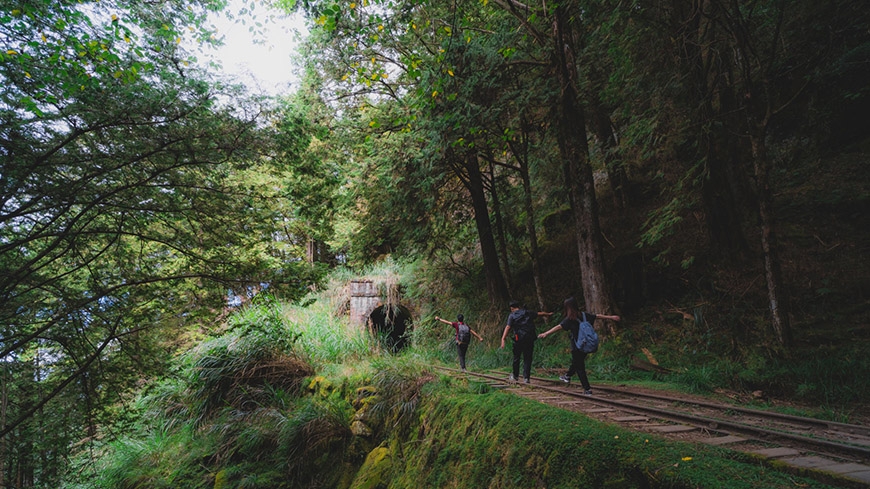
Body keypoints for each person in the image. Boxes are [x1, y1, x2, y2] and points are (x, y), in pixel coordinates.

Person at [537, 297, 620, 395]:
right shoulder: (584, 315)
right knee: (576, 362)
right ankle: (567, 376)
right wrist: (611, 317)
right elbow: (597, 316)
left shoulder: (569, 319)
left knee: (580, 367)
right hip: (587, 345)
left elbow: (559, 327)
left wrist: (546, 333)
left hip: (577, 346)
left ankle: (587, 389)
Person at [500, 301, 552, 383]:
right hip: (529, 338)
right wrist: (547, 314)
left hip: (518, 339)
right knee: (528, 358)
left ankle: (515, 376)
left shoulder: (512, 315)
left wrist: (503, 339)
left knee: (516, 357)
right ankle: (526, 378)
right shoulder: (527, 312)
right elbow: (539, 314)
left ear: (512, 308)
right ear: (518, 306)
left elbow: (508, 327)